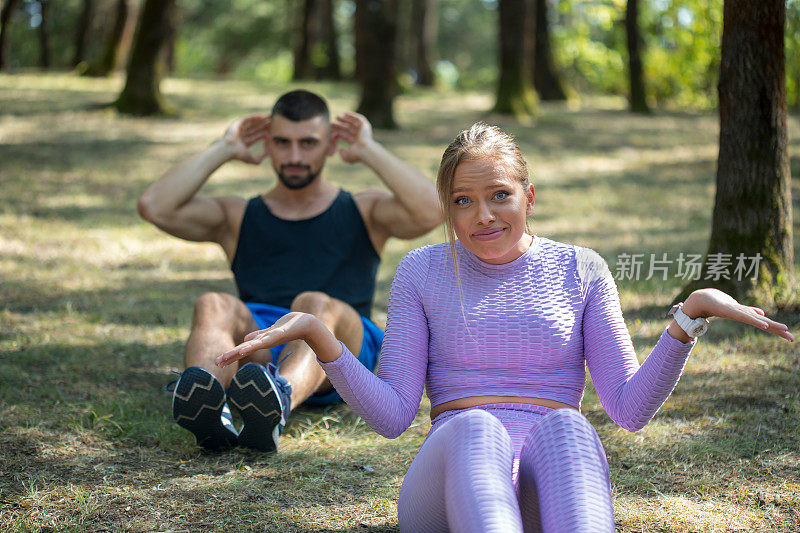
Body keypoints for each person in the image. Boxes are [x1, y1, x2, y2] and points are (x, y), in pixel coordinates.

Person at [216, 123, 793, 531]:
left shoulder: (581, 268)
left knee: (571, 428)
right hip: (448, 487)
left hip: (547, 486)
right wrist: (324, 340)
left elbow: (628, 409)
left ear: (529, 197)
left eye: (499, 195)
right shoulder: (422, 270)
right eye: (463, 201)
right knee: (476, 428)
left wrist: (689, 317)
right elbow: (393, 416)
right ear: (447, 209)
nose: (483, 215)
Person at [138, 90, 442, 452]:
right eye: (282, 143)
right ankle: (212, 409)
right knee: (213, 303)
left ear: (330, 144)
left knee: (312, 304)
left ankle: (277, 402)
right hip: (263, 346)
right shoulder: (238, 216)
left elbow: (432, 210)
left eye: (308, 143)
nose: (294, 156)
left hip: (340, 348)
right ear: (267, 143)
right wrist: (224, 147)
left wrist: (368, 149)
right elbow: (155, 206)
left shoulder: (363, 210)